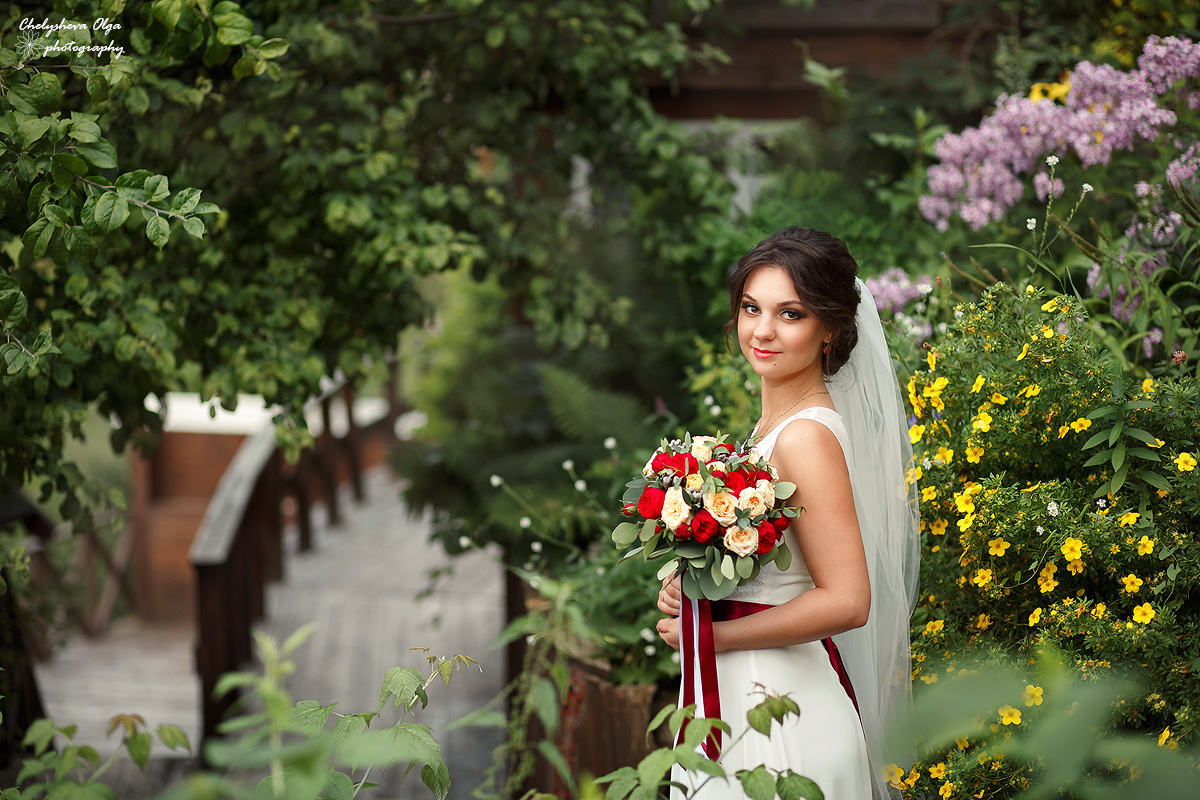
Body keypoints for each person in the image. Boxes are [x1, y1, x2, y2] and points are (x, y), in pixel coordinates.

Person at [656, 227, 920, 800]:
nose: (762, 330)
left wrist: (714, 637)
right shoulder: (770, 433)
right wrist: (695, 586)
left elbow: (848, 601)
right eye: (752, 308)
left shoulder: (805, 439)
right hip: (744, 696)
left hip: (781, 715)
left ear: (830, 330)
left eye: (790, 314)